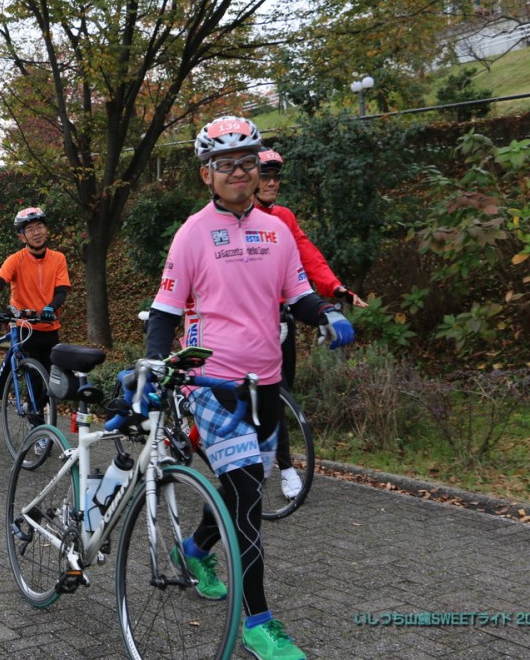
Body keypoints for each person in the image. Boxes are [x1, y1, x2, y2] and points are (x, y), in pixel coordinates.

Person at [143, 115, 354, 660]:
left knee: (246, 492)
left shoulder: (277, 231)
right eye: (225, 165)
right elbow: (164, 311)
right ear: (206, 174)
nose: (238, 172)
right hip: (212, 383)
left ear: (258, 169)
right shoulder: (192, 234)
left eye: (247, 162)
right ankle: (258, 622)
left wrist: (326, 314)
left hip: (267, 383)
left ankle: (194, 549)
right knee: (246, 504)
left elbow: (297, 295)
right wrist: (153, 368)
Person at [253, 147, 368, 500]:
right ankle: (277, 465)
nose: (272, 183)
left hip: (280, 320)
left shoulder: (284, 218)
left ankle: (277, 463)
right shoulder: (236, 218)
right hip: (245, 322)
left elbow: (308, 255)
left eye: (276, 177)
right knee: (254, 396)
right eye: (265, 176)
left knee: (281, 393)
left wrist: (335, 289)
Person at [0, 207, 70, 375]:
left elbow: (61, 291)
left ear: (46, 229)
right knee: (34, 377)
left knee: (52, 377)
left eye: (39, 227)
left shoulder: (58, 258)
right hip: (24, 326)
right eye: (30, 229)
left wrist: (51, 307)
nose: (36, 233)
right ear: (22, 237)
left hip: (49, 325)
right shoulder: (15, 260)